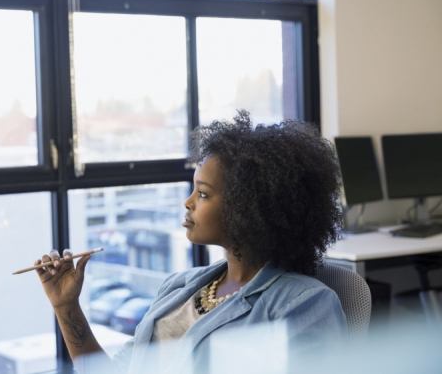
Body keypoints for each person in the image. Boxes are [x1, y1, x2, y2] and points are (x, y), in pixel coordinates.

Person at [34, 111, 347, 373]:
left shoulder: (302, 303)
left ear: (249, 207)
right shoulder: (178, 287)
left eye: (203, 193)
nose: (188, 202)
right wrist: (66, 307)